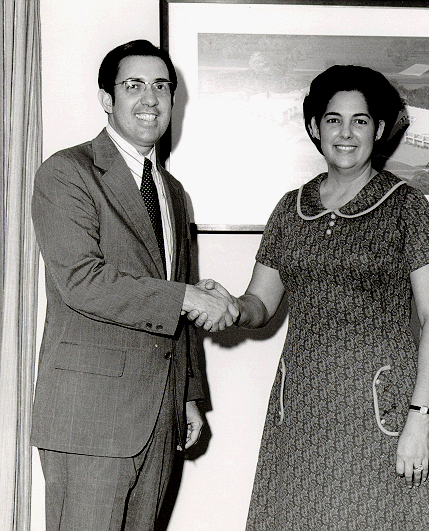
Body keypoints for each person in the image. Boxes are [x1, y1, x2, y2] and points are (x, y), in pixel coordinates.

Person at [193, 65, 429, 529]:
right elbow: (260, 304)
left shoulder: (407, 207)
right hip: (302, 409)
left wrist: (420, 416)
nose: (346, 133)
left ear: (379, 129)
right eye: (334, 120)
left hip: (381, 408)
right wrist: (231, 306)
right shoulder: (290, 209)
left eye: (360, 120)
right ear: (315, 127)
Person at [31, 39, 237, 531]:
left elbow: (177, 287)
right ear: (107, 98)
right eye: (134, 85)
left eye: (161, 86)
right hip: (90, 417)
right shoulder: (67, 172)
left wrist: (188, 393)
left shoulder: (173, 191)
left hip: (161, 414)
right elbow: (82, 280)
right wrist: (186, 296)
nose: (150, 99)